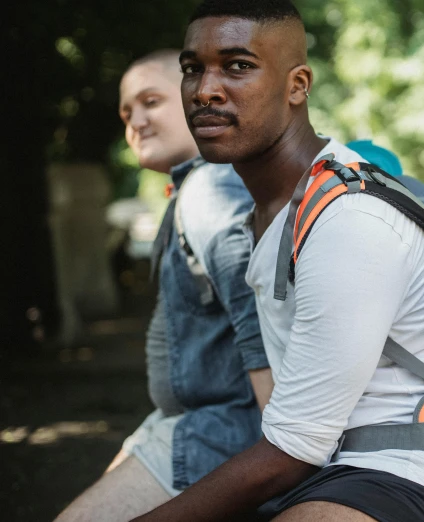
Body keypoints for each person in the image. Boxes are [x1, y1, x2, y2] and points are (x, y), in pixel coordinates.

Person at [135, 2, 424, 521]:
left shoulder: (348, 220)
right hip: (341, 465)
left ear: (297, 85)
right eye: (193, 68)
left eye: (238, 66)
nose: (205, 90)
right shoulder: (273, 208)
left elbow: (289, 453)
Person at [56, 49, 272, 522]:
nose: (136, 121)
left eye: (150, 101)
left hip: (221, 431)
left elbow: (256, 313)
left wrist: (282, 454)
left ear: (200, 99)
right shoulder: (200, 187)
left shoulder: (211, 189)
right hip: (185, 421)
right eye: (126, 112)